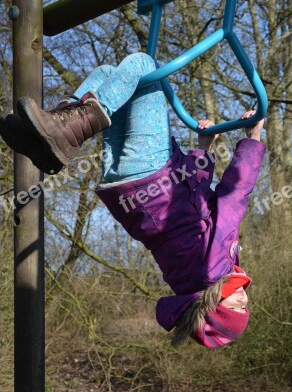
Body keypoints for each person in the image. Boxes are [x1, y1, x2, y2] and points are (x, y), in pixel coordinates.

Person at [0, 52, 266, 349]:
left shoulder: (215, 269)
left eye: (236, 308)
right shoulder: (188, 280)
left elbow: (233, 196)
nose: (244, 300)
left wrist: (253, 141)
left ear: (213, 307)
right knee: (106, 73)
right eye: (245, 307)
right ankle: (46, 133)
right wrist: (203, 150)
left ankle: (62, 133)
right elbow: (197, 205)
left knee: (143, 66)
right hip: (125, 189)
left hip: (154, 177)